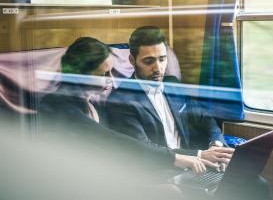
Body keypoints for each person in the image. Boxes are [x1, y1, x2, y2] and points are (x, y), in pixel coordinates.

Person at [37, 36, 217, 176]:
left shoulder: (95, 105)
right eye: (103, 74)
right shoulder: (55, 105)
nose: (111, 80)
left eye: (110, 72)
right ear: (79, 74)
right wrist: (179, 158)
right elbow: (115, 142)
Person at [106, 26, 234, 172]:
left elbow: (205, 119)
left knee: (256, 182)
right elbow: (144, 149)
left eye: (162, 59)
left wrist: (216, 146)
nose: (158, 68)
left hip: (195, 165)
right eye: (149, 61)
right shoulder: (120, 100)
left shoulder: (173, 84)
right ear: (132, 60)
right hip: (160, 170)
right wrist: (201, 155)